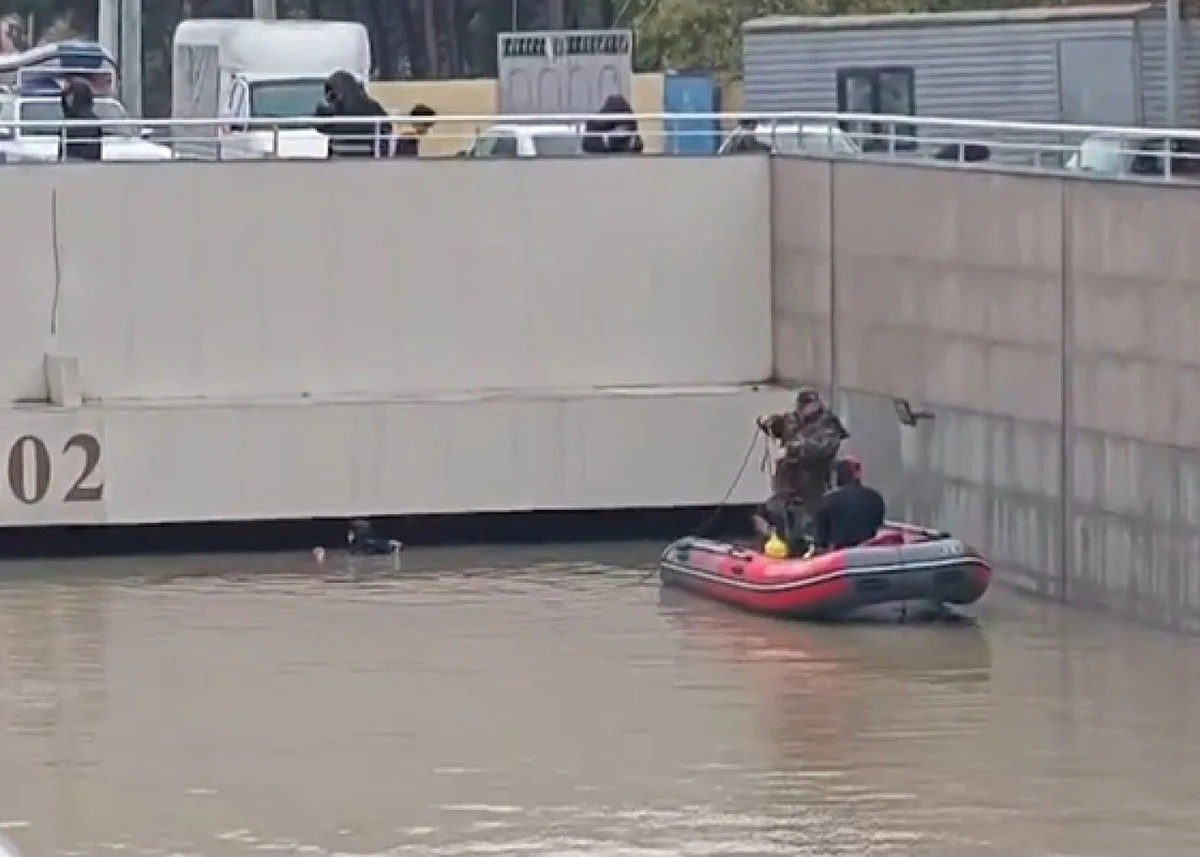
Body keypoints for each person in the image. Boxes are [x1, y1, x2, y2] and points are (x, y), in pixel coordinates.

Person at [752, 387, 849, 548]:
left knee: (807, 522)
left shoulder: (828, 425)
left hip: (813, 483)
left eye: (809, 404)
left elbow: (822, 449)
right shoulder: (793, 419)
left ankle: (809, 548)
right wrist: (768, 422)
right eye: (802, 405)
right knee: (769, 514)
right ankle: (777, 544)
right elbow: (780, 425)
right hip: (787, 482)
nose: (804, 409)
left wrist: (795, 447)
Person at [813, 456, 886, 550]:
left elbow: (822, 539)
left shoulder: (827, 500)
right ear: (857, 474)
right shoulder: (875, 498)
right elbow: (878, 525)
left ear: (838, 475)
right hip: (870, 554)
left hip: (841, 557)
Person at [314, 70, 391, 158]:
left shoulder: (331, 109)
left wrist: (323, 107)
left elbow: (318, 129)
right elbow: (386, 126)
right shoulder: (372, 106)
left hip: (338, 154)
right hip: (369, 154)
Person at [60, 77, 102, 162]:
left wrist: (63, 94)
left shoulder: (67, 119)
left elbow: (65, 107)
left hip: (69, 160)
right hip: (89, 161)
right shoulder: (94, 120)